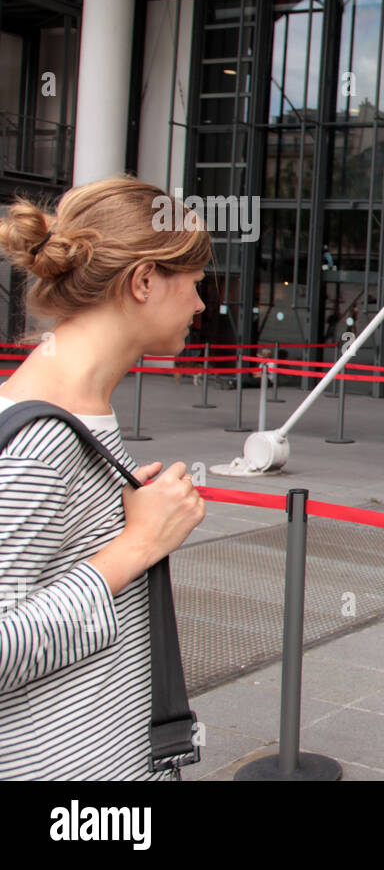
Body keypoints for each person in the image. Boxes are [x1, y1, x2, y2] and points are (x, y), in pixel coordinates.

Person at [0, 178, 209, 779]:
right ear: (144, 281)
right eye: (192, 284)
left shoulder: (80, 406)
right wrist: (135, 546)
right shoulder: (37, 444)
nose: (200, 306)